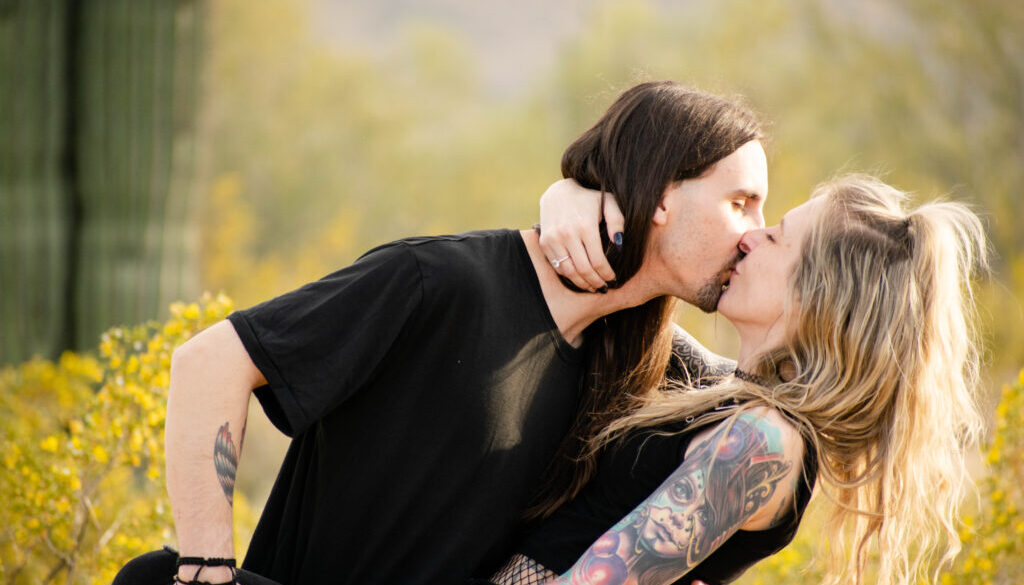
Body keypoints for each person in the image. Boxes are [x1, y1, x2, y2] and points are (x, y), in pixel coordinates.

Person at [112, 81, 769, 585]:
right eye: (741, 202)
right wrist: (205, 570)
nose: (753, 233)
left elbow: (775, 410)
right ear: (662, 197)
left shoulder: (648, 364)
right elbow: (209, 364)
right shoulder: (442, 281)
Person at [486, 174, 987, 585]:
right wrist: (567, 197)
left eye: (777, 237)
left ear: (816, 294)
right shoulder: (723, 391)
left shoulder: (765, 441)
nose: (750, 237)